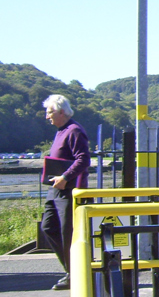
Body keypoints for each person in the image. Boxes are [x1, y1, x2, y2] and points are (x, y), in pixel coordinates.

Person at [40, 94, 91, 291]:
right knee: (48, 227)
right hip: (55, 190)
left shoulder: (75, 130)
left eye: (50, 112)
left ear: (62, 112)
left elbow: (83, 159)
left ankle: (74, 274)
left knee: (66, 232)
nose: (47, 117)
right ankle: (72, 269)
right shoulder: (61, 131)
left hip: (69, 190)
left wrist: (65, 177)